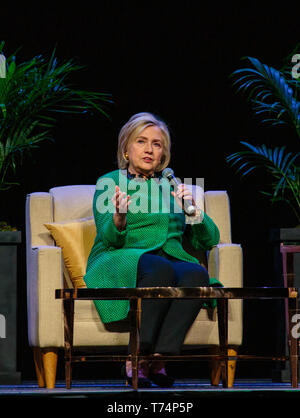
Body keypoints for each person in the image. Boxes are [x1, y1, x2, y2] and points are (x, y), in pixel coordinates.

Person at [83, 112, 220, 388]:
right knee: (159, 268)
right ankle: (137, 357)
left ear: (163, 154)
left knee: (196, 275)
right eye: (141, 141)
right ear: (126, 148)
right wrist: (119, 217)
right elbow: (109, 239)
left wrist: (192, 212)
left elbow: (210, 239)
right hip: (122, 256)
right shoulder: (110, 182)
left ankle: (158, 357)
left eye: (157, 144)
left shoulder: (173, 185)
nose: (149, 149)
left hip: (168, 258)